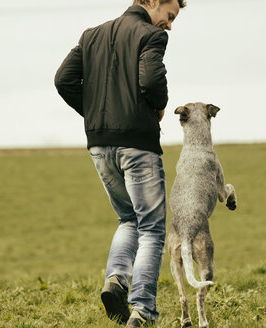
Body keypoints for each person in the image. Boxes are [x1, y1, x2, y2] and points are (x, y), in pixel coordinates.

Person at [54, 0, 186, 326]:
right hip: (138, 145)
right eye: (169, 16)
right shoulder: (151, 36)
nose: (169, 25)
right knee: (153, 228)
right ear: (152, 1)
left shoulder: (91, 35)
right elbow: (152, 81)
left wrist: (98, 113)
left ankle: (116, 280)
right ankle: (142, 311)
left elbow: (64, 80)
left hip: (100, 144)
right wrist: (157, 108)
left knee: (129, 219)